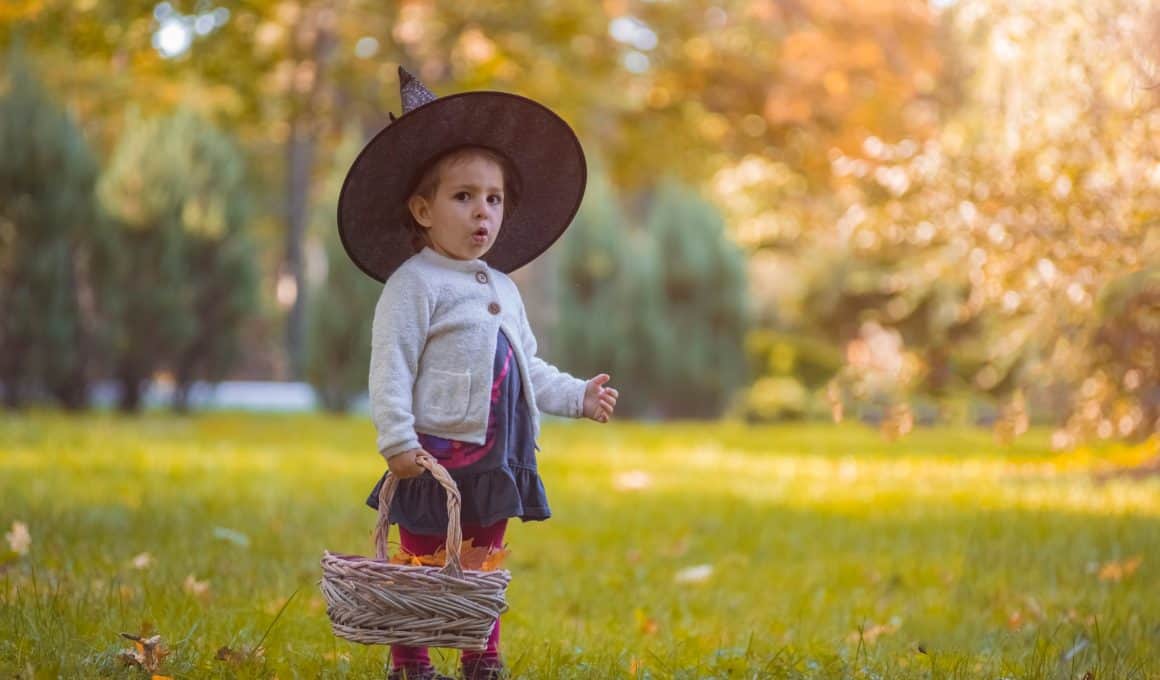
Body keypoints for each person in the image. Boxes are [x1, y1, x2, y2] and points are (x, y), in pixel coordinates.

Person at [337, 67, 619, 680]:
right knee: (424, 553)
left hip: (497, 453)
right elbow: (392, 363)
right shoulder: (414, 284)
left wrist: (577, 395)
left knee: (481, 556)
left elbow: (526, 366)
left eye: (492, 199)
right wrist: (396, 439)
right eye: (462, 197)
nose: (481, 213)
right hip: (434, 451)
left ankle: (480, 653)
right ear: (423, 209)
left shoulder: (503, 288)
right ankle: (409, 657)